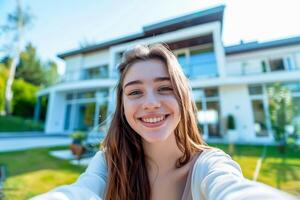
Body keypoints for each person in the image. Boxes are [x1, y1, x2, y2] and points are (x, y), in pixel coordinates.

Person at [32, 44, 297, 200]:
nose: (150, 102)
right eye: (135, 92)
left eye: (164, 88)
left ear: (182, 96)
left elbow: (234, 190)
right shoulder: (108, 162)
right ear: (123, 106)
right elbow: (77, 193)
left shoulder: (209, 165)